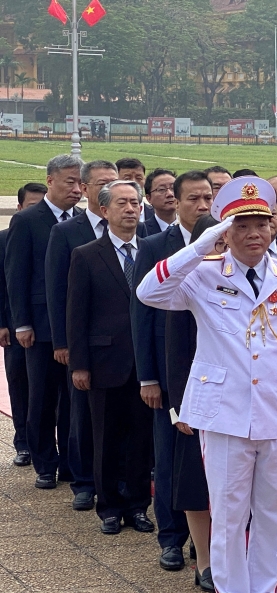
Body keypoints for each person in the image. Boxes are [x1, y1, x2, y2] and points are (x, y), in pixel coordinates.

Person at [136, 176, 277, 593]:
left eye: (263, 222)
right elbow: (148, 294)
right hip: (224, 412)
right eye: (243, 224)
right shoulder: (203, 273)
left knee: (274, 514)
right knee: (230, 514)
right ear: (225, 230)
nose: (255, 232)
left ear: (275, 226)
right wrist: (198, 248)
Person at [131, 170, 213, 572]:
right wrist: (148, 376)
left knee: (206, 465)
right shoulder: (153, 246)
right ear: (174, 202)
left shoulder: (222, 244)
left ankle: (207, 545)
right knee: (169, 460)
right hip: (170, 373)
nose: (201, 206)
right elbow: (141, 314)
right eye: (193, 199)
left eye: (207, 198)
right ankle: (172, 538)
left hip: (215, 371)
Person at [67, 180, 155, 535]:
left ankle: (137, 505)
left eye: (135, 202)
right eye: (122, 203)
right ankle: (109, 507)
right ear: (105, 211)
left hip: (144, 363)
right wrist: (80, 364)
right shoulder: (87, 254)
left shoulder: (151, 251)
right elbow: (77, 313)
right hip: (105, 362)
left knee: (140, 437)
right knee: (105, 435)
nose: (131, 209)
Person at [5, 154, 83, 490]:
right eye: (70, 181)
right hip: (39, 324)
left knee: (72, 399)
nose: (77, 189)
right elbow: (17, 274)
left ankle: (69, 461)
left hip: (75, 322)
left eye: (81, 183)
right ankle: (43, 462)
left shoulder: (82, 222)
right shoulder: (28, 221)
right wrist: (21, 322)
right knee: (41, 396)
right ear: (50, 180)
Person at [45, 159, 119, 512]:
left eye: (115, 182)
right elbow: (59, 292)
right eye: (102, 183)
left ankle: (115, 478)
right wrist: (63, 343)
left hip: (121, 344)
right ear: (85, 189)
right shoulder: (66, 232)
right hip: (84, 341)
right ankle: (84, 481)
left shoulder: (137, 228)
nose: (109, 188)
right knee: (81, 414)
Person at [164, 214, 220, 593]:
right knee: (198, 486)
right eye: (215, 243)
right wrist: (181, 407)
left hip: (238, 401)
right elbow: (175, 352)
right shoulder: (189, 284)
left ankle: (232, 557)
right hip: (198, 400)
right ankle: (204, 561)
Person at [0, 183, 46, 469]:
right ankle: (23, 442)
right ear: (19, 209)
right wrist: (3, 323)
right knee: (19, 383)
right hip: (14, 323)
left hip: (44, 323)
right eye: (32, 206)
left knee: (44, 389)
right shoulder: (4, 239)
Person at [115, 157, 153, 222]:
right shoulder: (108, 213)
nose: (134, 182)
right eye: (127, 178)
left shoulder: (155, 214)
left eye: (139, 178)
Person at [144, 169, 177, 234]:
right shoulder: (142, 231)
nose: (170, 194)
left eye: (173, 188)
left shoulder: (192, 227)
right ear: (149, 198)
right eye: (161, 189)